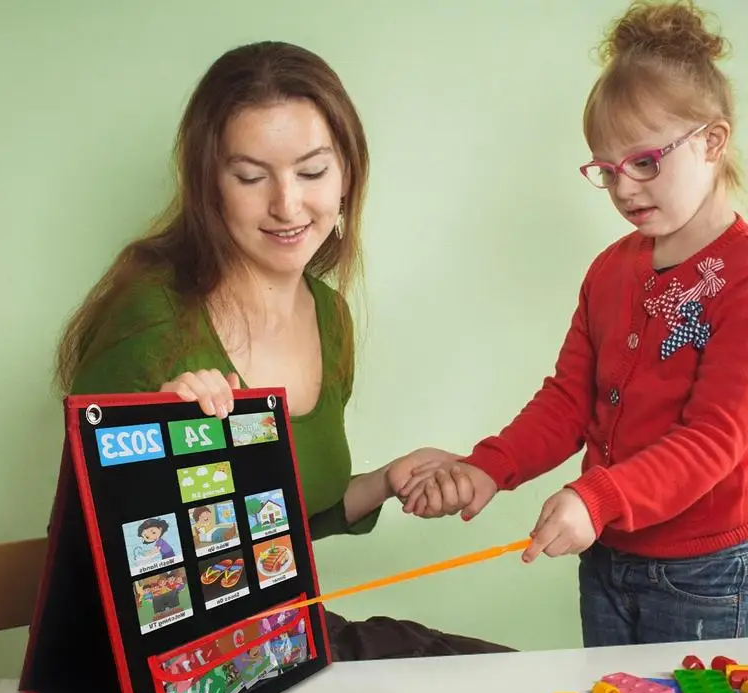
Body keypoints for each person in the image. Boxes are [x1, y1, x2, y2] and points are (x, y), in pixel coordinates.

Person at [54, 40, 513, 659]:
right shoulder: (149, 319)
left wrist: (385, 480)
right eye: (250, 177)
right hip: (175, 671)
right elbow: (87, 556)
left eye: (313, 171)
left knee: (494, 675)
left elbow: (284, 526)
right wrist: (155, 452)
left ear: (347, 175)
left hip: (275, 645)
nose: (287, 204)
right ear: (208, 187)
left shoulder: (329, 315)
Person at [397, 0, 748, 647]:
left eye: (644, 162)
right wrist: (487, 468)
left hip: (705, 574)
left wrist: (597, 497)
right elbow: (569, 401)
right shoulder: (610, 271)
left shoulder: (744, 276)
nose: (625, 188)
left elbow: (715, 439)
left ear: (712, 141)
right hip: (606, 558)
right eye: (607, 171)